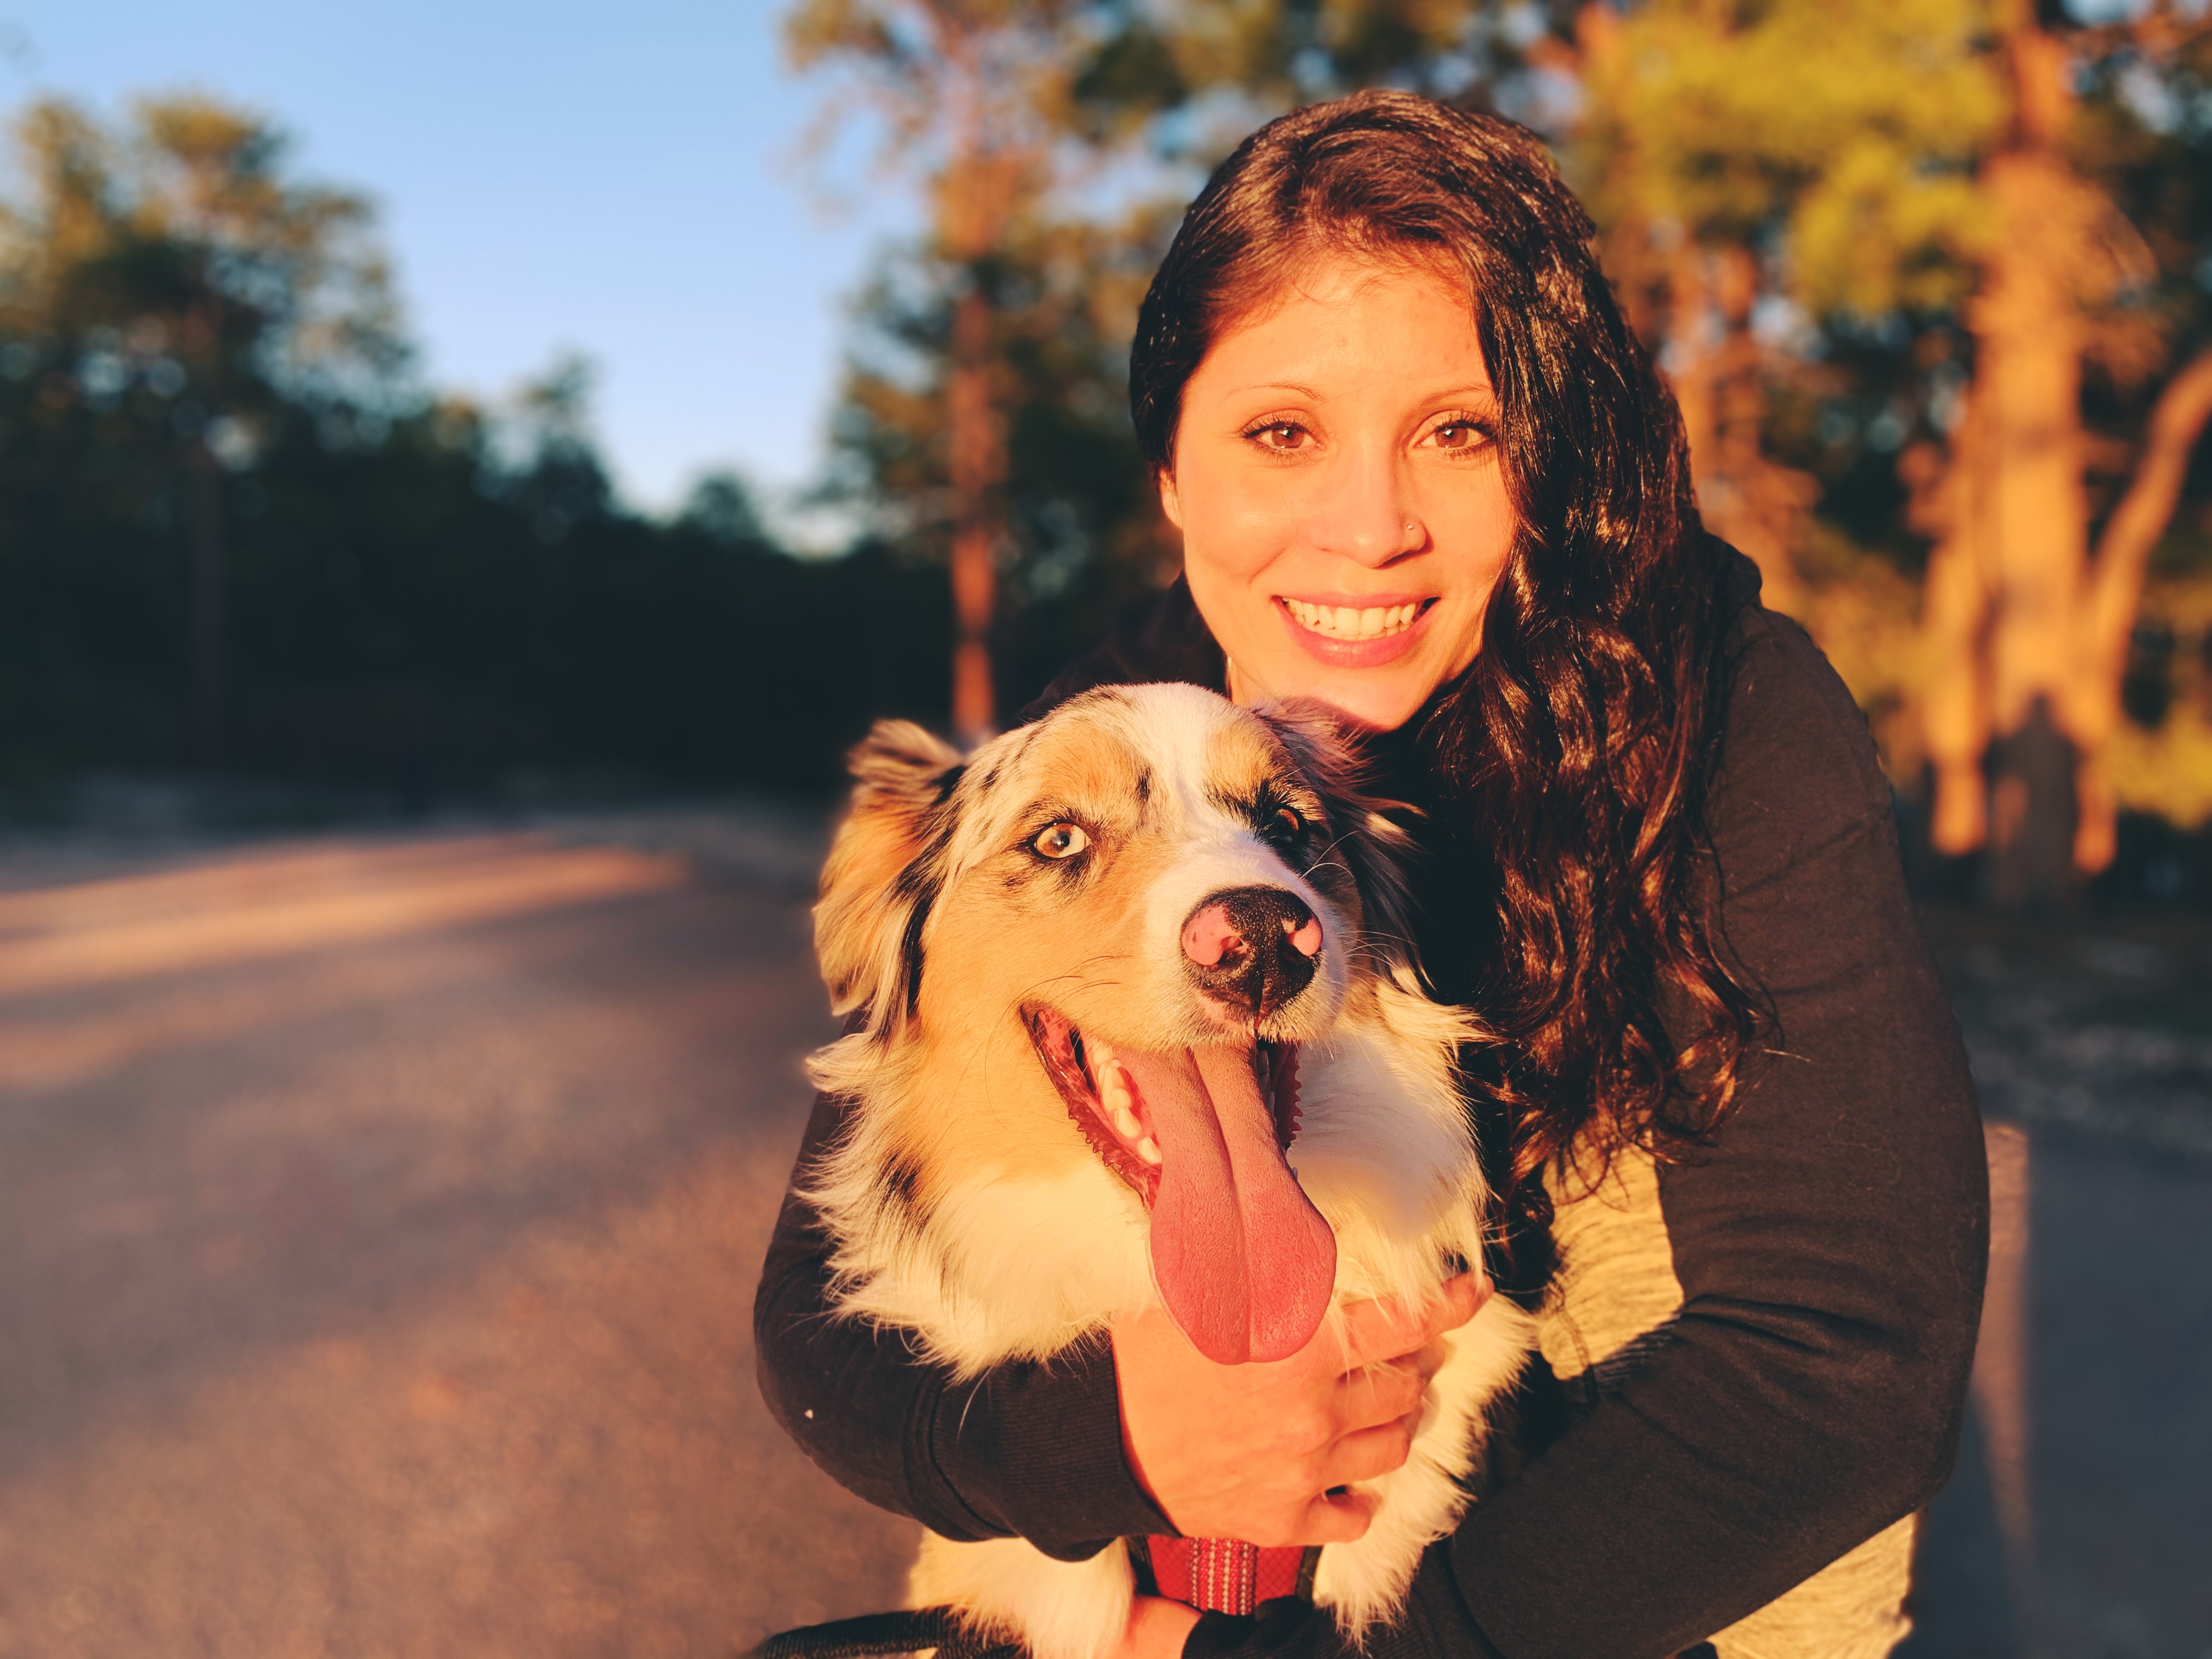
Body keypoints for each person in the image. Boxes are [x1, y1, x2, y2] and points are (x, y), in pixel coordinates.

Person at [755, 91, 1987, 1659]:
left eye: (1458, 434)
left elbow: (1845, 1361)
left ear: (1538, 459)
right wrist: (1114, 1445)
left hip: (1590, 1433)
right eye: (1282, 432)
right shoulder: (1115, 705)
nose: (1369, 529)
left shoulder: (1730, 702)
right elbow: (823, 1323)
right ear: (1174, 475)